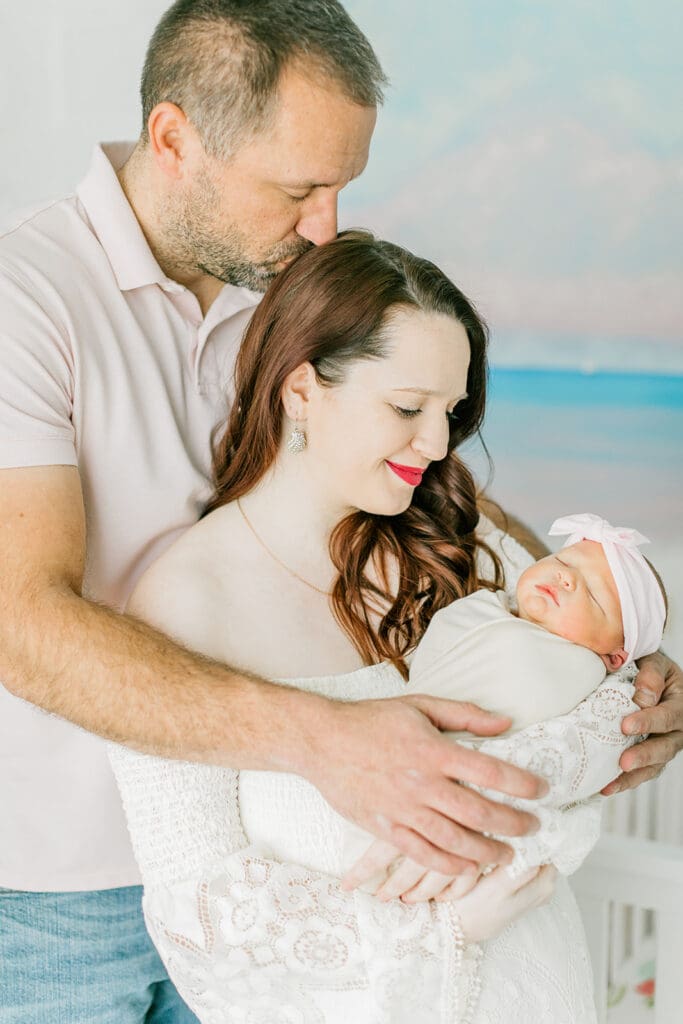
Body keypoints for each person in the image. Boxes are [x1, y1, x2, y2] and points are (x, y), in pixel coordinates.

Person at [0, 1, 680, 1021]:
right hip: (59, 896)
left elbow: (414, 469)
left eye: (340, 187)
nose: (325, 222)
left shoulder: (280, 278)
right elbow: (21, 620)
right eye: (298, 187)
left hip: (278, 839)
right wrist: (324, 740)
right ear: (174, 138)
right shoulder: (27, 302)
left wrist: (603, 634)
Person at [110, 233, 640, 1023]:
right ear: (300, 390)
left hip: (538, 988)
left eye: (450, 412)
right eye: (405, 408)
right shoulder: (182, 606)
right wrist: (441, 929)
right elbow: (199, 917)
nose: (434, 446)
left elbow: (608, 693)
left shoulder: (457, 537)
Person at [342, 510, 667, 902]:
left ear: (615, 658)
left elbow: (567, 744)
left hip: (478, 782)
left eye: (594, 595)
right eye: (563, 561)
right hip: (397, 751)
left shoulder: (588, 672)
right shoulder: (481, 606)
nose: (566, 577)